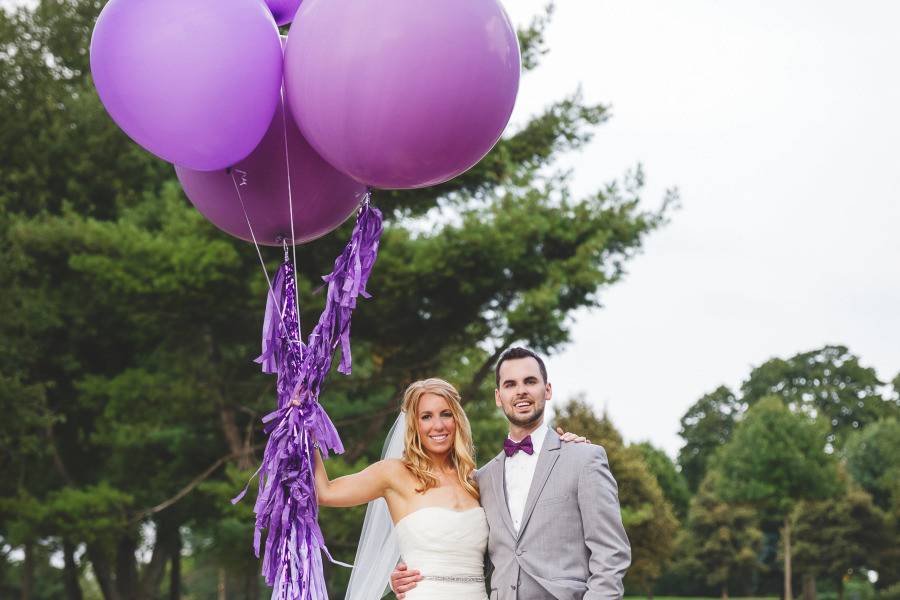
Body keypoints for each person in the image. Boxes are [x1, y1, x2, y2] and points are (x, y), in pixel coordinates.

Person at [313, 376, 588, 599]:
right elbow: (324, 492)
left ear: (457, 419)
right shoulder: (394, 473)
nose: (438, 425)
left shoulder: (478, 480)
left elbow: (534, 513)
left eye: (446, 414)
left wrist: (569, 452)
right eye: (426, 417)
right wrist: (304, 429)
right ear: (414, 425)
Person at [391, 347, 631, 600]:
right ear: (498, 396)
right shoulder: (481, 478)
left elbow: (611, 554)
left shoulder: (583, 458)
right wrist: (415, 574)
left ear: (547, 390)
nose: (521, 391)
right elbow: (466, 551)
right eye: (510, 384)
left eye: (530, 381)